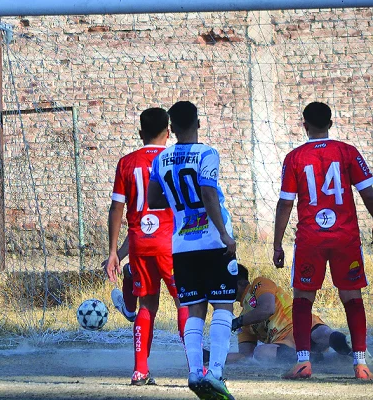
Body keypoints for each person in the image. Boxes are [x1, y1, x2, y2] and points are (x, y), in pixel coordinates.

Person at [273, 101, 373, 380]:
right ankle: (361, 365)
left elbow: (285, 203)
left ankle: (303, 362)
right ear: (331, 123)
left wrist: (277, 244)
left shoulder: (294, 157)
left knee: (303, 297)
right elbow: (368, 194)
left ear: (304, 125)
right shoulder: (347, 152)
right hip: (345, 238)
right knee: (352, 296)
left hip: (310, 240)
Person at [148, 101, 236, 400]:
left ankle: (195, 372)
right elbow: (209, 192)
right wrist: (224, 233)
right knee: (223, 306)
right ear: (198, 122)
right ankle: (216, 374)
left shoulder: (161, 160)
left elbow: (155, 200)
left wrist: (178, 202)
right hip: (212, 241)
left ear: (171, 128)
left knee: (195, 308)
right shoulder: (207, 153)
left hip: (182, 245)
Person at [104, 107, 188, 386]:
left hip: (140, 243)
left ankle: (140, 370)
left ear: (140, 133)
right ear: (169, 131)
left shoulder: (127, 163)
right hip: (173, 243)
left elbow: (117, 207)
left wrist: (114, 251)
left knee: (147, 305)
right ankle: (196, 369)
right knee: (184, 302)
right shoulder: (176, 159)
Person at [224, 263, 352, 363]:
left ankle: (354, 351)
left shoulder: (259, 284)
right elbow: (246, 356)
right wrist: (211, 356)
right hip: (285, 345)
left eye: (225, 284)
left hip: (300, 325)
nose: (223, 288)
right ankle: (321, 361)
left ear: (241, 282)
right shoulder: (244, 319)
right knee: (260, 353)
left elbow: (267, 309)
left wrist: (236, 322)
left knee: (322, 333)